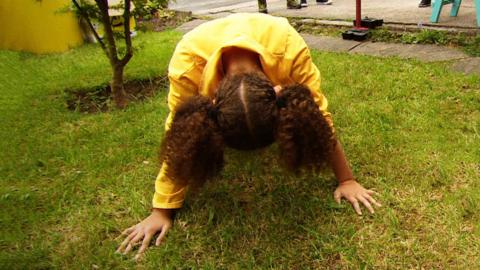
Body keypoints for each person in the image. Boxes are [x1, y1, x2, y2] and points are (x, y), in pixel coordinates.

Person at [117, 13, 381, 260]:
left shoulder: (290, 48)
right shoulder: (187, 66)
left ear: (279, 91)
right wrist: (161, 210)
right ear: (212, 101)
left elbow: (318, 117)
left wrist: (347, 180)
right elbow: (180, 133)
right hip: (203, 45)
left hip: (271, 35)